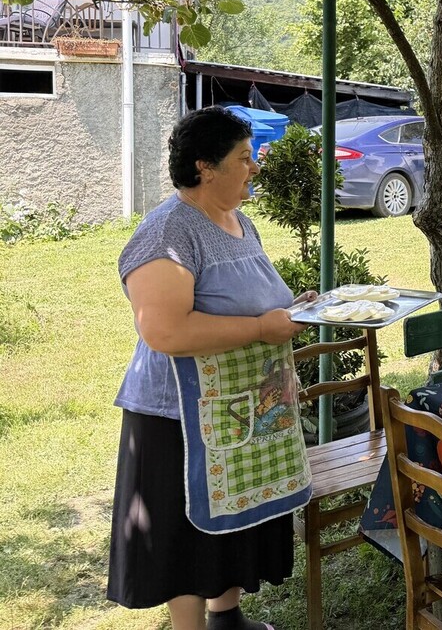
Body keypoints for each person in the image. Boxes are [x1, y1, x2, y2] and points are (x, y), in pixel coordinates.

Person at [107, 107, 316, 630]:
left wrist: (297, 310)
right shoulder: (168, 233)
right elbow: (165, 332)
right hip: (176, 416)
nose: (255, 168)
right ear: (206, 167)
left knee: (225, 528)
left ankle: (227, 617)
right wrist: (261, 330)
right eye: (244, 158)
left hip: (234, 408)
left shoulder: (238, 219)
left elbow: (250, 298)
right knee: (184, 540)